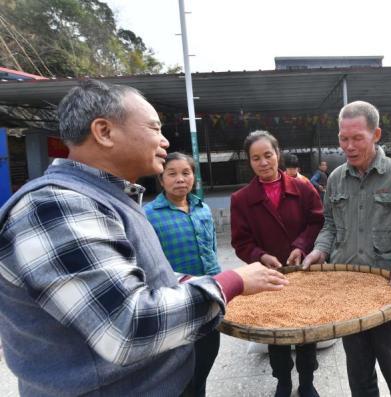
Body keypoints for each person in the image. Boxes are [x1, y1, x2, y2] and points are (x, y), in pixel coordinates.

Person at [0, 80, 288, 397]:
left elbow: (137, 277)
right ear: (104, 132)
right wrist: (230, 283)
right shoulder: (54, 207)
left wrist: (192, 281)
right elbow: (127, 327)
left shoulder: (106, 199)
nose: (164, 141)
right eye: (154, 128)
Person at [303, 101, 391, 397]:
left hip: (389, 292)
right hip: (348, 294)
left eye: (357, 137)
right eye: (343, 138)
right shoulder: (335, 179)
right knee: (359, 376)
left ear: (376, 134)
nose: (349, 146)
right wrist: (319, 250)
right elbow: (330, 227)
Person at [230, 130, 324, 397]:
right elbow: (241, 242)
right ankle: (283, 380)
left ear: (278, 153)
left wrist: (301, 246)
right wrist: (261, 256)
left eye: (267, 155)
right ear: (249, 162)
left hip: (303, 270)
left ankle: (307, 381)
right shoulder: (242, 199)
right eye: (255, 158)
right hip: (269, 276)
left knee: (308, 328)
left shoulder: (304, 188)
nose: (263, 162)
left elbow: (318, 222)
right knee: (274, 330)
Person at [144, 151, 220, 397]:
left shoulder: (202, 209)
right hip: (173, 306)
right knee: (181, 374)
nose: (180, 179)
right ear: (161, 179)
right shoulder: (148, 215)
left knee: (204, 363)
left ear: (194, 177)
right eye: (172, 174)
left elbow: (212, 250)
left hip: (207, 300)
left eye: (186, 173)